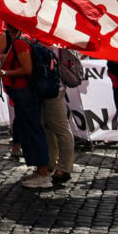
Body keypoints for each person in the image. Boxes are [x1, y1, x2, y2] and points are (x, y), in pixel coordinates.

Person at [0, 24, 52, 188]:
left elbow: (27, 69)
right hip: (23, 92)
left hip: (24, 92)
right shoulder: (23, 39)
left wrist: (5, 73)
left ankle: (43, 174)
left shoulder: (20, 42)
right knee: (30, 130)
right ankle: (40, 170)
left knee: (33, 130)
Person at [42, 53, 76, 184]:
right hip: (50, 88)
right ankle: (52, 162)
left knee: (61, 129)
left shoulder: (52, 43)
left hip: (53, 88)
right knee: (49, 128)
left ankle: (64, 167)